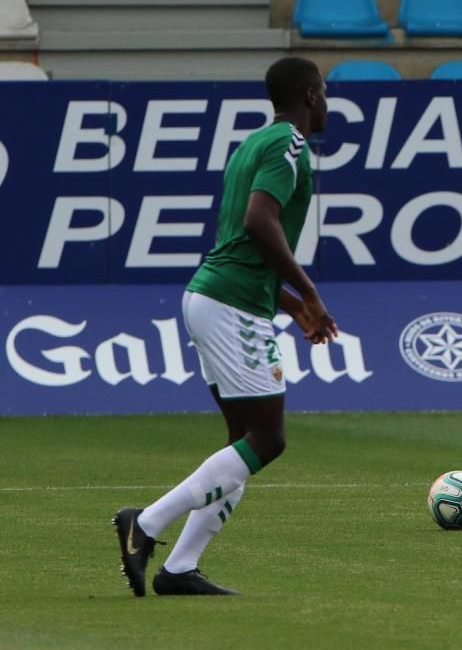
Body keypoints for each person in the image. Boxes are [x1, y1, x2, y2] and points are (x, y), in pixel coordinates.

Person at [113, 57, 339, 595]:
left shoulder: (252, 144)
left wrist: (287, 304)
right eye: (324, 91)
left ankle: (180, 569)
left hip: (218, 295)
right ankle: (144, 524)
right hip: (230, 303)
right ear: (309, 96)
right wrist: (309, 292)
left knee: (242, 440)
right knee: (268, 440)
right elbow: (258, 223)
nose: (326, 100)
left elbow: (244, 244)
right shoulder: (289, 145)